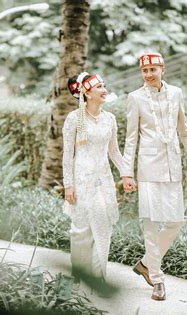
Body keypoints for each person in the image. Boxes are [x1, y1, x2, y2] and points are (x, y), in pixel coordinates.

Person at [120, 52, 187, 301]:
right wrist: (127, 173)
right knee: (150, 223)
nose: (148, 75)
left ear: (162, 70)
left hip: (173, 168)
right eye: (144, 71)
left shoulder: (176, 94)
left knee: (176, 221)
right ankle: (157, 280)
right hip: (147, 170)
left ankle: (146, 263)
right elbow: (131, 139)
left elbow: (185, 132)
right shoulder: (135, 98)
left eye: (152, 70)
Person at [62, 72, 124, 286]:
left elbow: (114, 152)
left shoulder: (110, 119)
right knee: (80, 230)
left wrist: (127, 174)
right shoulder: (74, 119)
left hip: (103, 180)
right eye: (99, 87)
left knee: (103, 225)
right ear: (86, 93)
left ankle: (99, 278)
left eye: (104, 85)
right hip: (81, 180)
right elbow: (67, 154)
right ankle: (78, 277)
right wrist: (68, 185)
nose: (104, 89)